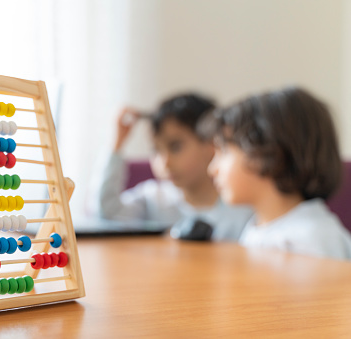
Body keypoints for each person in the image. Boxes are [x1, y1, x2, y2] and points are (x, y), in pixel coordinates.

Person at [201, 86, 351, 259]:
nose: (212, 169)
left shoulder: (310, 240)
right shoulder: (260, 226)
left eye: (223, 152)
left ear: (266, 154)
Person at [95, 93, 252, 241]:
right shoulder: (153, 199)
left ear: (212, 143)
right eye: (156, 150)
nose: (165, 162)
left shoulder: (242, 208)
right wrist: (116, 144)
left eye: (175, 147)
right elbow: (106, 212)